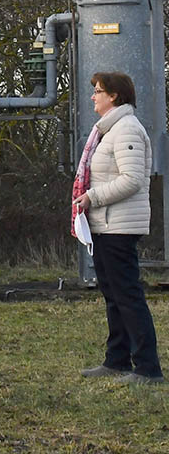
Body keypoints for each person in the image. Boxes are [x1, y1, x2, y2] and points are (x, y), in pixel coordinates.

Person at [73, 71, 163, 385]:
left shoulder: (126, 129)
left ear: (114, 96)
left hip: (119, 227)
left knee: (127, 295)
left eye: (98, 91)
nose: (93, 97)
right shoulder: (108, 131)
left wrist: (92, 197)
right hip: (104, 224)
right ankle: (117, 360)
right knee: (113, 295)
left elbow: (133, 179)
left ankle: (148, 368)